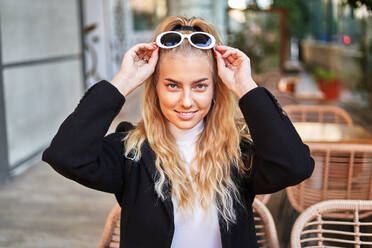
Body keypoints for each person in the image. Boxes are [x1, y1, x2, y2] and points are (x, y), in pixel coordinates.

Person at [42, 16, 314, 248]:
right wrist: (123, 81)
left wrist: (246, 87)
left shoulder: (238, 151)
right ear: (155, 88)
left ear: (216, 88)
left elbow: (295, 166)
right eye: (172, 85)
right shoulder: (131, 151)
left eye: (199, 86)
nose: (186, 101)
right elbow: (66, 155)